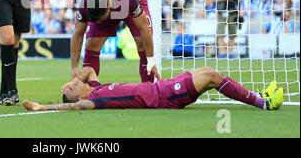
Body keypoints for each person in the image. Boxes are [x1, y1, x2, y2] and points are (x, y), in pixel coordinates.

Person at [22, 66, 284, 111]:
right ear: (77, 95)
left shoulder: (96, 87)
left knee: (207, 71)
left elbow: (89, 72)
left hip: (163, 86)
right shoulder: (95, 101)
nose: (80, 82)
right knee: (213, 77)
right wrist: (43, 106)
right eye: (75, 86)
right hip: (165, 96)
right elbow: (74, 106)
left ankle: (259, 96)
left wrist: (73, 78)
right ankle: (264, 103)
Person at [70, 0, 160, 83]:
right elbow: (77, 34)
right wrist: (74, 67)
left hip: (127, 4)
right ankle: (89, 92)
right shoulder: (85, 4)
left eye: (100, 20)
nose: (98, 23)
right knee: (91, 45)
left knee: (143, 45)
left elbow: (144, 28)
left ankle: (149, 90)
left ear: (109, 8)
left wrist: (151, 59)